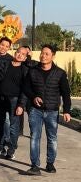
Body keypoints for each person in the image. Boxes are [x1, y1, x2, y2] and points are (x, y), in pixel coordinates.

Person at [16, 44, 71, 175]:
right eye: (42, 53)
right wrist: (29, 100)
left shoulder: (60, 73)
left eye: (47, 54)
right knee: (35, 137)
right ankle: (35, 166)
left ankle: (50, 163)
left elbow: (66, 93)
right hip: (35, 110)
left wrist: (67, 111)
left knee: (52, 138)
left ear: (53, 56)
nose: (43, 56)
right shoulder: (33, 71)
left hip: (52, 111)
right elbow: (26, 89)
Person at [0, 45, 30, 160]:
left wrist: (21, 105)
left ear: (25, 58)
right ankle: (0, 147)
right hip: (1, 98)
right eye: (18, 52)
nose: (20, 55)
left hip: (15, 100)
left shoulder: (25, 70)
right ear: (15, 53)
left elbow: (25, 89)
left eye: (23, 54)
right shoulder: (5, 64)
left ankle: (11, 150)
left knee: (13, 126)